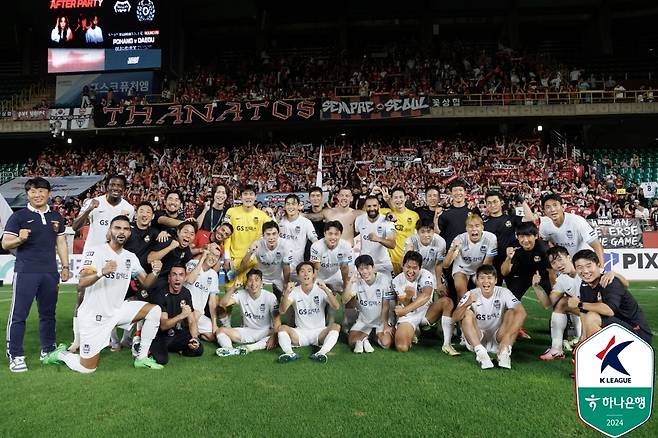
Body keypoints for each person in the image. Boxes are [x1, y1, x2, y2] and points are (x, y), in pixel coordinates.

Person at [54, 216, 164, 373]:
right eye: (117, 228)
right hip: (94, 317)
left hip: (117, 311)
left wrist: (155, 272)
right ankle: (62, 354)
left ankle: (141, 358)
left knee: (154, 310)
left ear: (129, 233)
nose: (122, 232)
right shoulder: (95, 251)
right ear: (109, 231)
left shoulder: (130, 257)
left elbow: (146, 283)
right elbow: (82, 282)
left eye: (126, 229)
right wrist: (101, 272)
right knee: (87, 368)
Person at [3, 177, 71, 373]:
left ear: (49, 193)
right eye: (33, 191)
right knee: (19, 315)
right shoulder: (19, 217)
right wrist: (19, 239)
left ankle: (48, 350)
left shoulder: (56, 217)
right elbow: (5, 243)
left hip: (50, 272)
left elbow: (60, 243)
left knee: (48, 315)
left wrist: (65, 266)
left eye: (42, 191)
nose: (38, 194)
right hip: (26, 272)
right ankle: (15, 355)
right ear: (28, 194)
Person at [530, 246, 628, 360]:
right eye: (553, 262)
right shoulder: (562, 280)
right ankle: (556, 349)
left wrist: (613, 273)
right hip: (588, 309)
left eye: (560, 259)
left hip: (606, 311)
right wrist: (536, 287)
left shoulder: (586, 271)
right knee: (561, 303)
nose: (558, 264)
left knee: (584, 308)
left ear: (568, 257)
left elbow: (625, 284)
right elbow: (548, 304)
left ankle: (584, 345)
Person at [453, 264, 527, 369]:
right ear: (477, 281)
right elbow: (454, 318)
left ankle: (505, 351)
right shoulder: (471, 294)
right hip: (477, 336)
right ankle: (480, 352)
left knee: (511, 312)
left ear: (496, 280)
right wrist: (467, 304)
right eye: (482, 278)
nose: (486, 281)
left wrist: (506, 338)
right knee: (467, 313)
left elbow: (522, 313)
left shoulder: (504, 292)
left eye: (489, 278)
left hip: (498, 336)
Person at [570, 250, 652, 344]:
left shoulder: (609, 281)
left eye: (589, 266)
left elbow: (609, 310)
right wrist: (583, 340)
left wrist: (579, 304)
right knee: (590, 315)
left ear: (598, 264)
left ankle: (599, 355)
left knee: (592, 316)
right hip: (618, 328)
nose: (585, 271)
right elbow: (584, 312)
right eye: (579, 267)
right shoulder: (585, 285)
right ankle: (597, 353)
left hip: (638, 333)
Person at [276, 262, 341, 364]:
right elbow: (282, 310)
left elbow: (336, 306)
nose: (306, 274)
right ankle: (290, 353)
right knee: (282, 328)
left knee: (336, 326)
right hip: (301, 333)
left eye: (309, 271)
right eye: (302, 271)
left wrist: (325, 289)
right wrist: (287, 292)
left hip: (319, 332)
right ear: (298, 275)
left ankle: (321, 353)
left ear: (314, 274)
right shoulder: (294, 291)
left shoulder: (321, 289)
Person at [500, 221, 552, 340]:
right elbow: (504, 272)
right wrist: (508, 258)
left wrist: (553, 289)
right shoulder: (513, 246)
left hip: (540, 274)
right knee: (510, 300)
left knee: (555, 301)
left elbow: (551, 271)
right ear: (517, 237)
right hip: (521, 275)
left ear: (536, 236)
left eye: (528, 236)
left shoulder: (543, 249)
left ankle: (561, 337)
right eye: (521, 237)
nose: (525, 240)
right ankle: (513, 329)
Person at [215, 269, 280, 356]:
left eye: (256, 280)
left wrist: (273, 337)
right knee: (220, 331)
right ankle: (229, 349)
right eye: (250, 280)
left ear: (261, 284)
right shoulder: (241, 294)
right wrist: (233, 288)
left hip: (264, 332)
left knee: (279, 332)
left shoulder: (270, 297)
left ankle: (250, 348)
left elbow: (277, 320)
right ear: (246, 284)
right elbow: (222, 304)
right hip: (246, 331)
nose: (253, 284)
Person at [527, 192, 604, 263]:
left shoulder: (577, 221)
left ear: (562, 206)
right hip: (565, 263)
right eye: (548, 207)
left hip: (584, 260)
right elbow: (544, 244)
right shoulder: (544, 225)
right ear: (543, 210)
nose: (552, 210)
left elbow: (596, 245)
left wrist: (601, 268)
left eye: (555, 205)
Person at [150, 264, 204, 364]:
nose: (177, 278)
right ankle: (150, 347)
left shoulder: (186, 293)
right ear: (169, 278)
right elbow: (163, 326)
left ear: (184, 278)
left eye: (181, 275)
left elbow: (192, 320)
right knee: (162, 360)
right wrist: (181, 316)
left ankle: (182, 348)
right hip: (161, 336)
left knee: (198, 349)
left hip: (177, 334)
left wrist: (194, 338)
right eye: (174, 275)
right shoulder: (161, 294)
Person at [343, 255, 395, 353]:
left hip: (381, 320)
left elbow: (386, 305)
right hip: (364, 321)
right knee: (352, 342)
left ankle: (372, 336)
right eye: (361, 269)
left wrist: (385, 325)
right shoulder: (357, 282)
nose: (365, 272)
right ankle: (365, 340)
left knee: (386, 343)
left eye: (367, 268)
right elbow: (344, 300)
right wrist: (350, 282)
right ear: (358, 270)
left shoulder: (384, 279)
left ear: (373, 268)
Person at [223, 185, 271, 287]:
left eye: (251, 194)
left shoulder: (262, 215)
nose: (248, 197)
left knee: (252, 296)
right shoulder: (231, 212)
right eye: (245, 194)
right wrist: (226, 257)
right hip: (234, 261)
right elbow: (227, 236)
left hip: (253, 261)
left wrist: (272, 215)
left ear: (255, 197)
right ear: (240, 197)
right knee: (227, 298)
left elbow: (274, 230)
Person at [442, 213, 497, 300]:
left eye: (477, 226)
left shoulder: (491, 238)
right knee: (462, 295)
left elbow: (488, 263)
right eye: (470, 226)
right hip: (462, 268)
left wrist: (480, 279)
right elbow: (445, 265)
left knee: (484, 291)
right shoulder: (459, 239)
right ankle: (463, 311)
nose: (474, 229)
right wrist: (453, 249)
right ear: (466, 229)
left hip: (480, 267)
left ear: (482, 227)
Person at [391, 251, 435, 352]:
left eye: (414, 268)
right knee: (402, 347)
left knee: (446, 302)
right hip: (410, 315)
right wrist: (409, 297)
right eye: (408, 267)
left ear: (420, 268)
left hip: (426, 311)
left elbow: (426, 295)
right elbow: (405, 303)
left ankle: (446, 342)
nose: (410, 271)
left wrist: (404, 311)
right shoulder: (396, 281)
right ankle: (414, 331)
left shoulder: (426, 274)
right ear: (403, 265)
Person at [240, 221, 293, 296]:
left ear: (278, 234)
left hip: (278, 279)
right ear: (263, 235)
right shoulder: (257, 244)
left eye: (274, 234)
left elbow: (286, 267)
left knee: (284, 302)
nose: (271, 238)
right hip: (262, 279)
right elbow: (242, 265)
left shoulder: (285, 245)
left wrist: (286, 283)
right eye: (268, 234)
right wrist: (250, 252)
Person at [483, 191, 525, 286]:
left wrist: (522, 201)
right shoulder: (483, 223)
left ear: (501, 202)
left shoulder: (511, 217)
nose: (492, 205)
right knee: (493, 293)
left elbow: (530, 218)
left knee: (514, 294)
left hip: (510, 260)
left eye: (495, 201)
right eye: (489, 203)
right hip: (492, 262)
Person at [146, 221, 196, 294]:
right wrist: (170, 247)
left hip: (167, 285)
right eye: (185, 232)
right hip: (151, 279)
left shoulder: (187, 253)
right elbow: (149, 259)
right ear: (178, 232)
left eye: (192, 234)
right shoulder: (166, 239)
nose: (188, 236)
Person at [184, 244, 221, 342]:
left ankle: (193, 332)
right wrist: (202, 258)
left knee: (213, 336)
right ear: (206, 252)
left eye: (217, 257)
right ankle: (189, 333)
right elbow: (190, 280)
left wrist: (214, 324)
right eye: (211, 254)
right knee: (194, 314)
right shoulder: (193, 263)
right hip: (185, 309)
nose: (213, 258)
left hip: (199, 314)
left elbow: (212, 302)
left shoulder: (213, 275)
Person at [380, 187, 420, 274]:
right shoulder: (385, 213)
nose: (399, 200)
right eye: (396, 197)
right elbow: (366, 211)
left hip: (409, 261)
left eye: (401, 197)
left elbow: (417, 238)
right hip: (391, 261)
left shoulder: (414, 215)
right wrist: (371, 192)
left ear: (405, 198)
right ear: (391, 199)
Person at [278, 194, 318, 280]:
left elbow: (314, 239)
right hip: (280, 267)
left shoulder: (306, 222)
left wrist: (317, 253)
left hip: (298, 267)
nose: (291, 206)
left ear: (299, 206)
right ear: (284, 206)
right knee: (281, 291)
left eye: (293, 204)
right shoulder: (280, 221)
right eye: (288, 204)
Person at [354, 195, 396, 275]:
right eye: (369, 206)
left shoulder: (387, 220)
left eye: (374, 205)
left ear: (379, 206)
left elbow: (392, 244)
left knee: (388, 287)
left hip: (383, 263)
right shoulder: (359, 220)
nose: (372, 208)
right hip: (365, 263)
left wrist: (378, 239)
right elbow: (354, 234)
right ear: (365, 207)